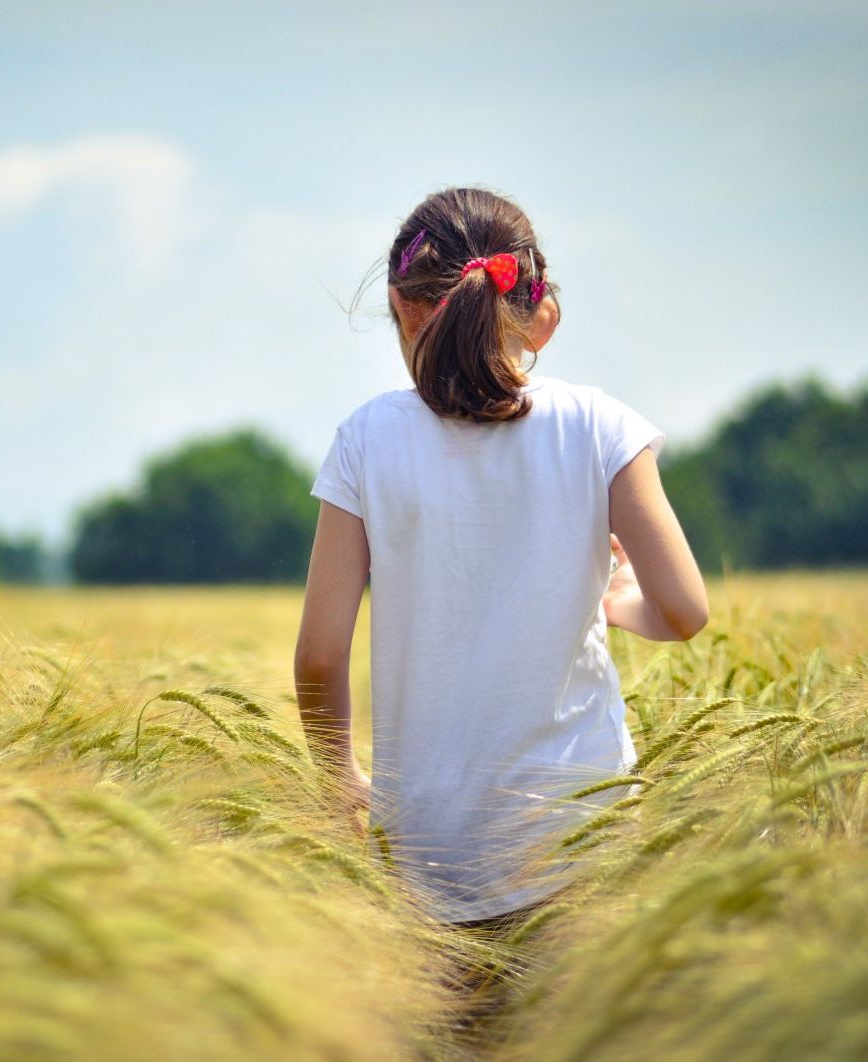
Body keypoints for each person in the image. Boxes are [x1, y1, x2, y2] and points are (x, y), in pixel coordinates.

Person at [293, 186, 709, 933]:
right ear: (542, 316)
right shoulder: (598, 425)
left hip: (427, 847)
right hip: (583, 831)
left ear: (402, 307)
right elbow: (684, 610)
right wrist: (616, 600)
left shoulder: (366, 438)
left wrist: (337, 780)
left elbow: (320, 656)